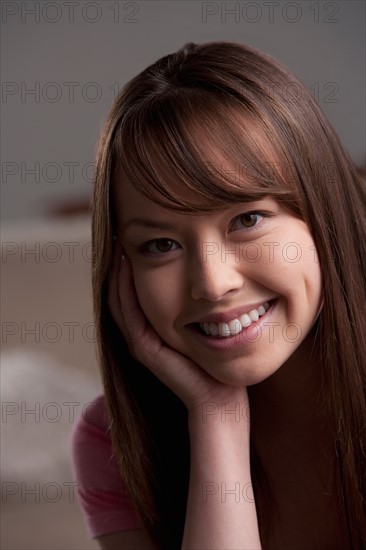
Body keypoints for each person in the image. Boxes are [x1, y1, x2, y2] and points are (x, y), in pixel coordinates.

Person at [71, 41, 366, 549]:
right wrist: (216, 418)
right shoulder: (117, 443)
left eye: (247, 219)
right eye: (160, 245)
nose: (212, 282)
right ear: (123, 269)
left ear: (323, 214)